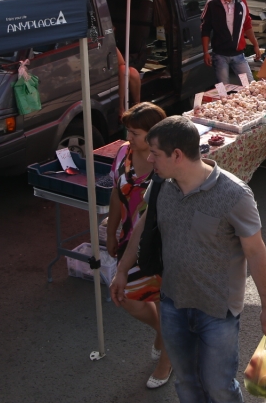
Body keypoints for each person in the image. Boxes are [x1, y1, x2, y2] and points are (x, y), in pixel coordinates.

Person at [110, 116, 266, 403]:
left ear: (177, 155)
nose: (149, 158)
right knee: (187, 384)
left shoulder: (234, 194)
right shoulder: (162, 185)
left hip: (218, 311)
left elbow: (256, 252)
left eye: (155, 153)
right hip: (173, 303)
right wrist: (123, 270)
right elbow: (143, 225)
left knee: (219, 387)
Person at [105, 102, 172, 389]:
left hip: (160, 245)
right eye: (128, 131)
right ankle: (164, 333)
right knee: (130, 299)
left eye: (135, 133)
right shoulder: (124, 153)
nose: (129, 137)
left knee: (163, 300)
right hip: (128, 238)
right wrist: (111, 231)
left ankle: (167, 360)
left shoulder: (167, 163)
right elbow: (115, 192)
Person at [201, 0, 263, 85]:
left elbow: (247, 25)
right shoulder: (212, 4)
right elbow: (205, 29)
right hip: (220, 56)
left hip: (238, 55)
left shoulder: (242, 2)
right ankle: (222, 100)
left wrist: (256, 45)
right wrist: (205, 52)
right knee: (222, 89)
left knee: (249, 85)